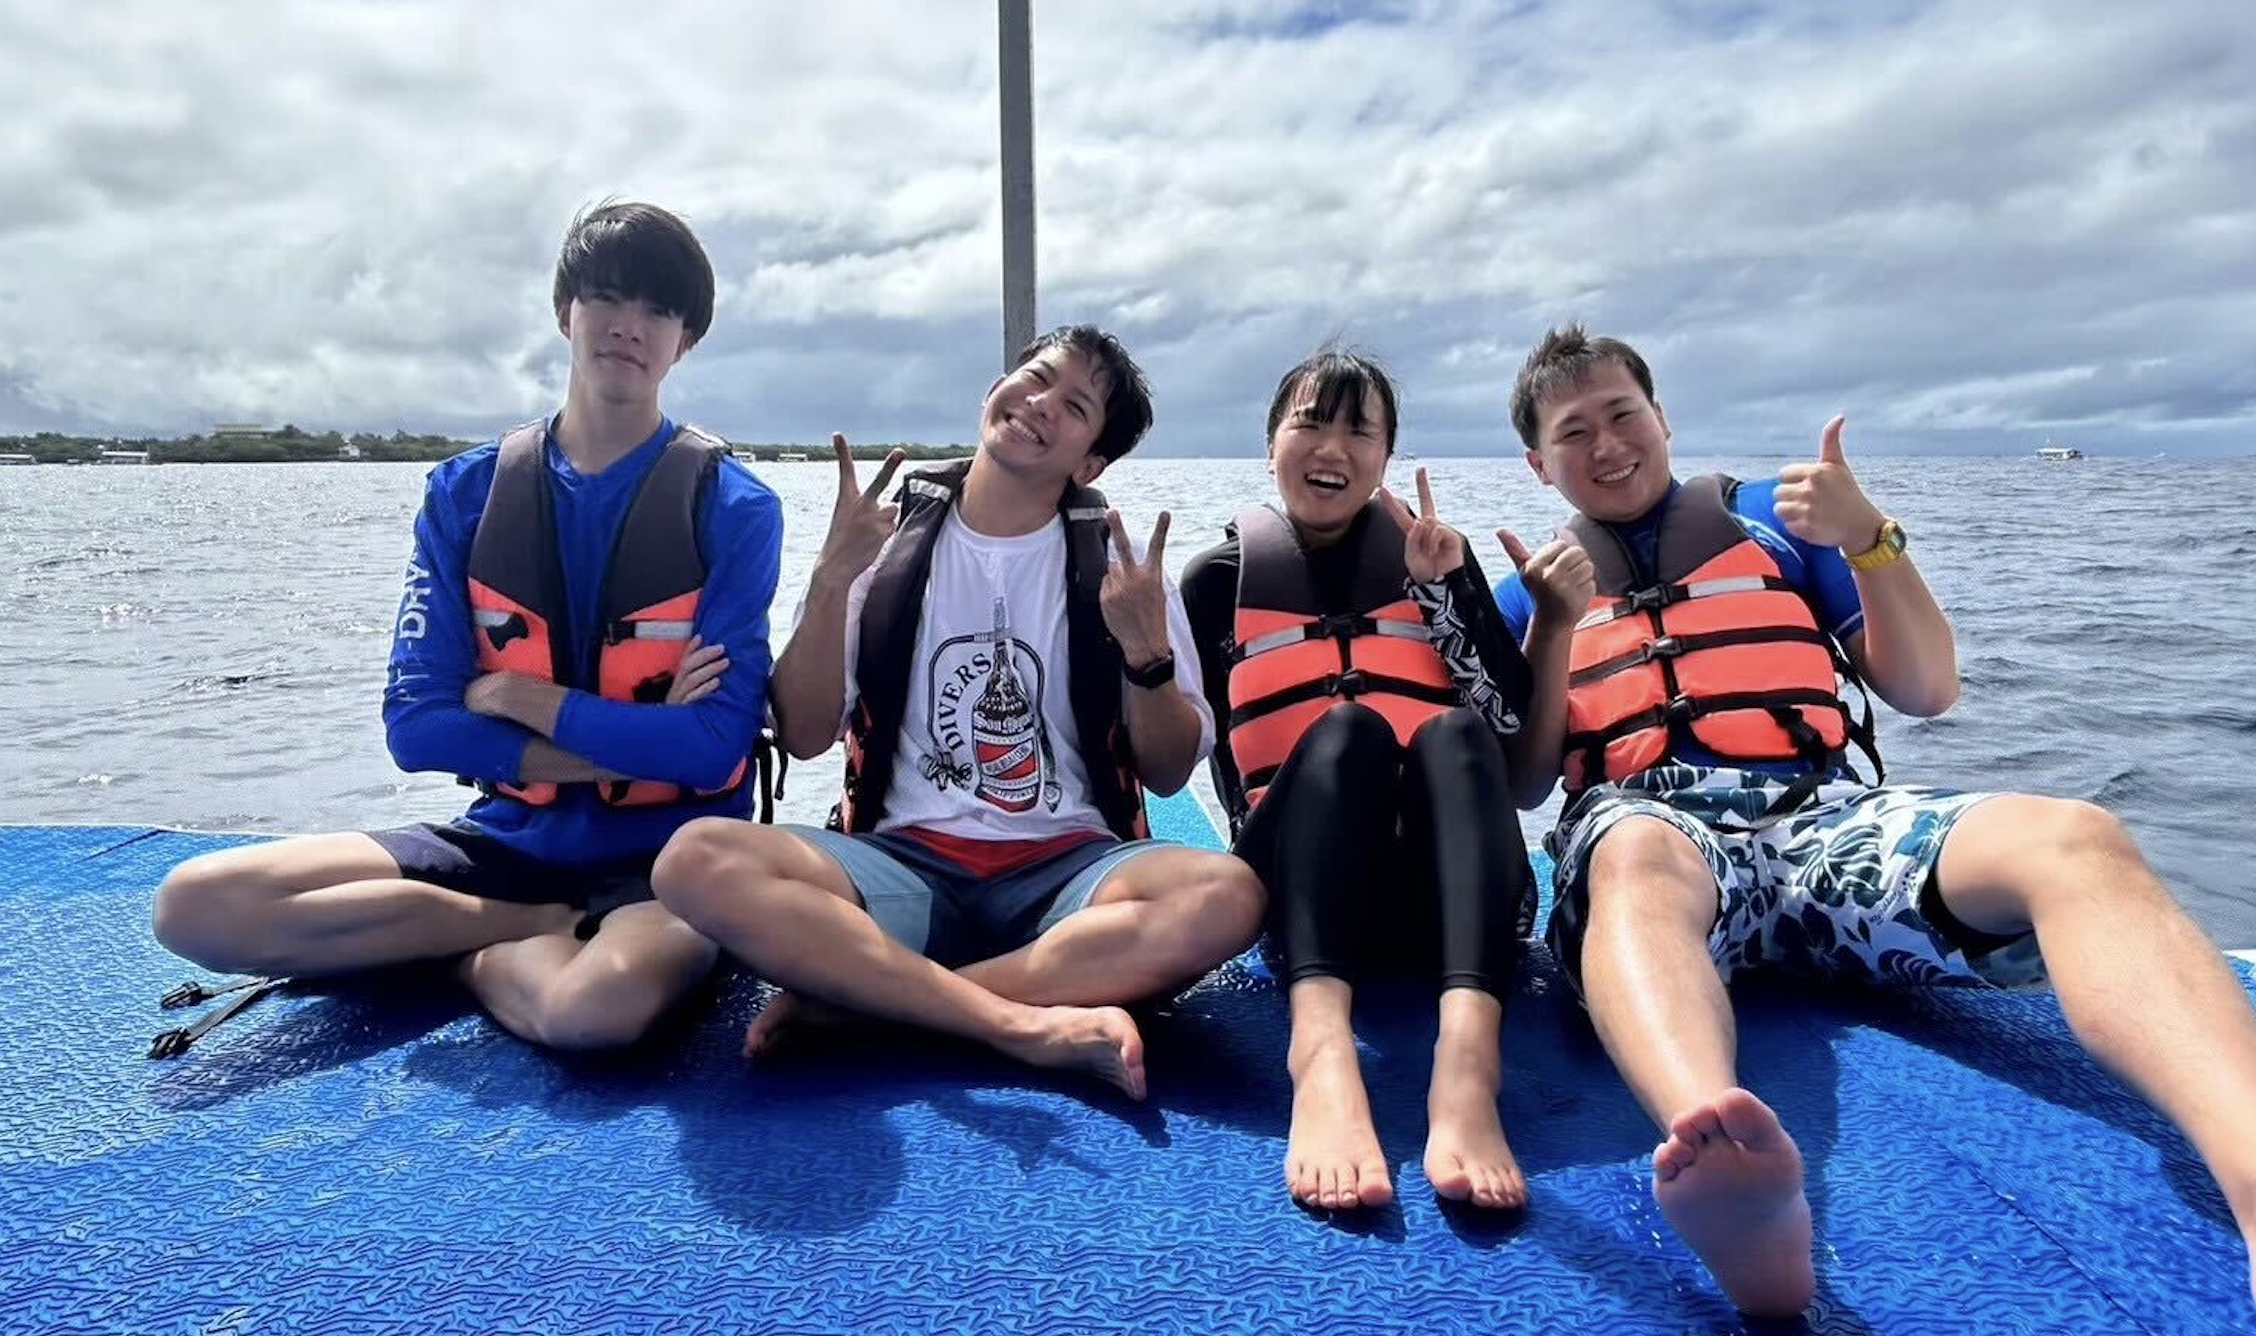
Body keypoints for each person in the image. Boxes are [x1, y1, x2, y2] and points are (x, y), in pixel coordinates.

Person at [1495, 323, 2256, 1314]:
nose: (1606, 444)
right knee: (1631, 858)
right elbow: (1527, 785)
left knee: (2077, 838)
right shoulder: (1527, 591)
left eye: (1621, 414)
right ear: (1537, 463)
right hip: (1653, 832)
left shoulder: (1778, 525)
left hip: (1823, 825)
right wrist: (1554, 625)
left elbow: (1927, 688)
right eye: (1573, 431)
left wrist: (1868, 540)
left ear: (1663, 417)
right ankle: (1723, 1156)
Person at [154, 201, 782, 1051]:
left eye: (659, 310)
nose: (629, 326)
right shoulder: (465, 493)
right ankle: (524, 924)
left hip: (668, 863)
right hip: (506, 842)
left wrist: (518, 697)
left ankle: (461, 951)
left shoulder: (737, 508)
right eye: (606, 297)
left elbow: (711, 750)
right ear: (565, 311)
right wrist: (644, 738)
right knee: (194, 906)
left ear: (686, 340)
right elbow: (417, 729)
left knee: (595, 1012)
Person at [650, 325, 1264, 1100]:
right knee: (693, 860)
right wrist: (833, 577)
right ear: (994, 389)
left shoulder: (1121, 568)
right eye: (1036, 378)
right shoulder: (880, 548)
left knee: (1227, 895)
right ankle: (1012, 1020)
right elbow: (803, 736)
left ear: (1090, 464)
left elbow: (1169, 772)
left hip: (1068, 876)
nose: (1041, 403)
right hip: (902, 869)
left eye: (1075, 406)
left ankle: (875, 1001)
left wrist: (1147, 656)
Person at [1179, 347, 1537, 1212]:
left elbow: (1509, 734)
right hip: (1299, 898)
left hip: (1439, 900)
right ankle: (1321, 1050)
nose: (1331, 448)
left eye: (1359, 431)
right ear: (1271, 442)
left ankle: (1468, 1061)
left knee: (1453, 731)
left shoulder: (1437, 560)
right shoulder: (1214, 584)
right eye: (1310, 423)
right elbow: (1206, 762)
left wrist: (1446, 594)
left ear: (1385, 458)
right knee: (1348, 730)